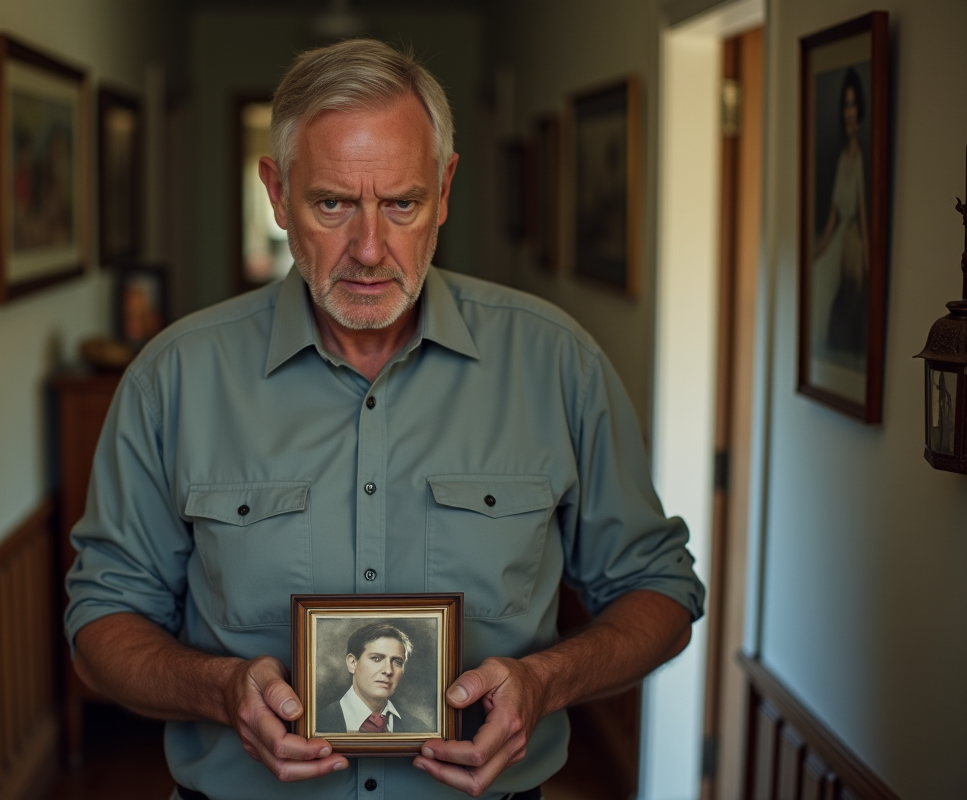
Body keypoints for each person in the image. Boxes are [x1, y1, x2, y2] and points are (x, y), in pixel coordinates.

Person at [65, 38, 704, 800]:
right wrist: (219, 690)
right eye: (331, 203)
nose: (369, 249)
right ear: (275, 192)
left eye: (401, 203)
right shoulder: (172, 379)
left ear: (445, 188)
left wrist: (547, 681)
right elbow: (102, 620)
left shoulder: (558, 363)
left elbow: (660, 590)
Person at [812, 68, 870, 364]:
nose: (849, 112)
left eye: (853, 105)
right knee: (821, 272)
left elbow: (861, 207)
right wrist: (822, 244)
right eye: (845, 106)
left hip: (854, 235)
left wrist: (867, 252)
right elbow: (835, 208)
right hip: (839, 232)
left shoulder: (859, 159)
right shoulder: (841, 158)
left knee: (850, 282)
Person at [315, 622, 434, 735]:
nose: (388, 670)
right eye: (376, 658)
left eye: (397, 661)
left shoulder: (419, 728)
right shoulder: (316, 724)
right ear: (352, 663)